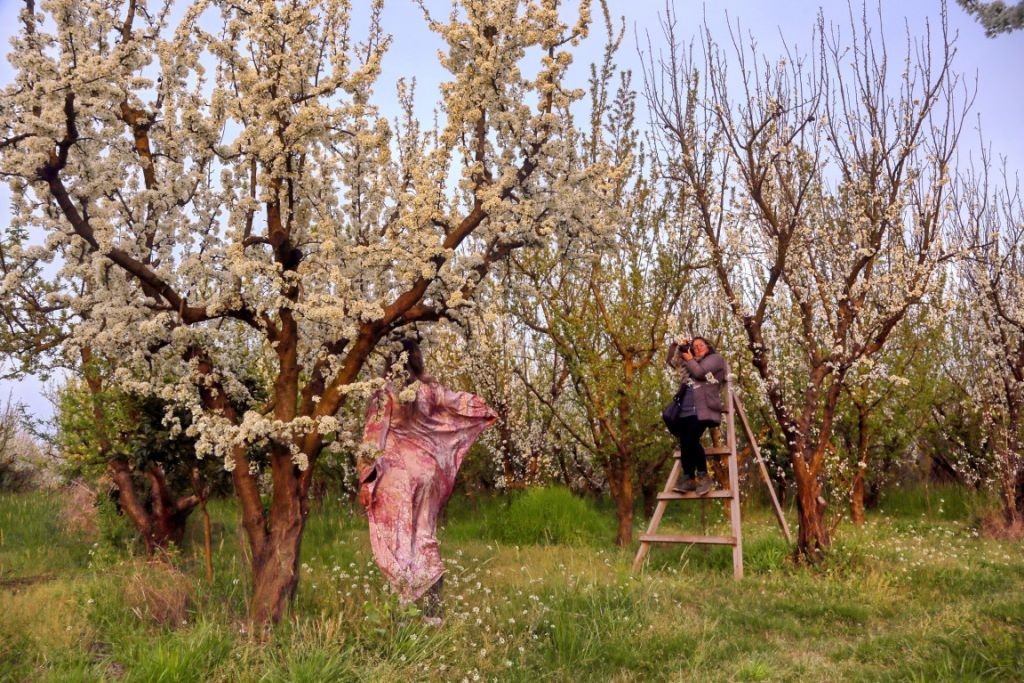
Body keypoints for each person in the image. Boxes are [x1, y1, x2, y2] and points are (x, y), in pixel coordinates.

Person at [358, 339, 497, 625]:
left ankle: (402, 616)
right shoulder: (430, 390)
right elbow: (464, 403)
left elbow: (373, 440)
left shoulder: (385, 394)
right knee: (425, 536)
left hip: (396, 476)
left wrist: (365, 480)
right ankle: (433, 615)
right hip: (428, 472)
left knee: (398, 540)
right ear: (417, 359)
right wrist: (486, 412)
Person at [662, 336, 727, 495]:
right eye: (694, 346)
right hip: (685, 408)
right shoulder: (689, 362)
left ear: (708, 346)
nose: (697, 348)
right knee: (685, 441)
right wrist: (676, 344)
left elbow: (700, 373)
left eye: (701, 345)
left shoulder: (715, 359)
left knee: (691, 438)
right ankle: (689, 478)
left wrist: (689, 358)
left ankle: (703, 476)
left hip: (702, 408)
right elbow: (671, 361)